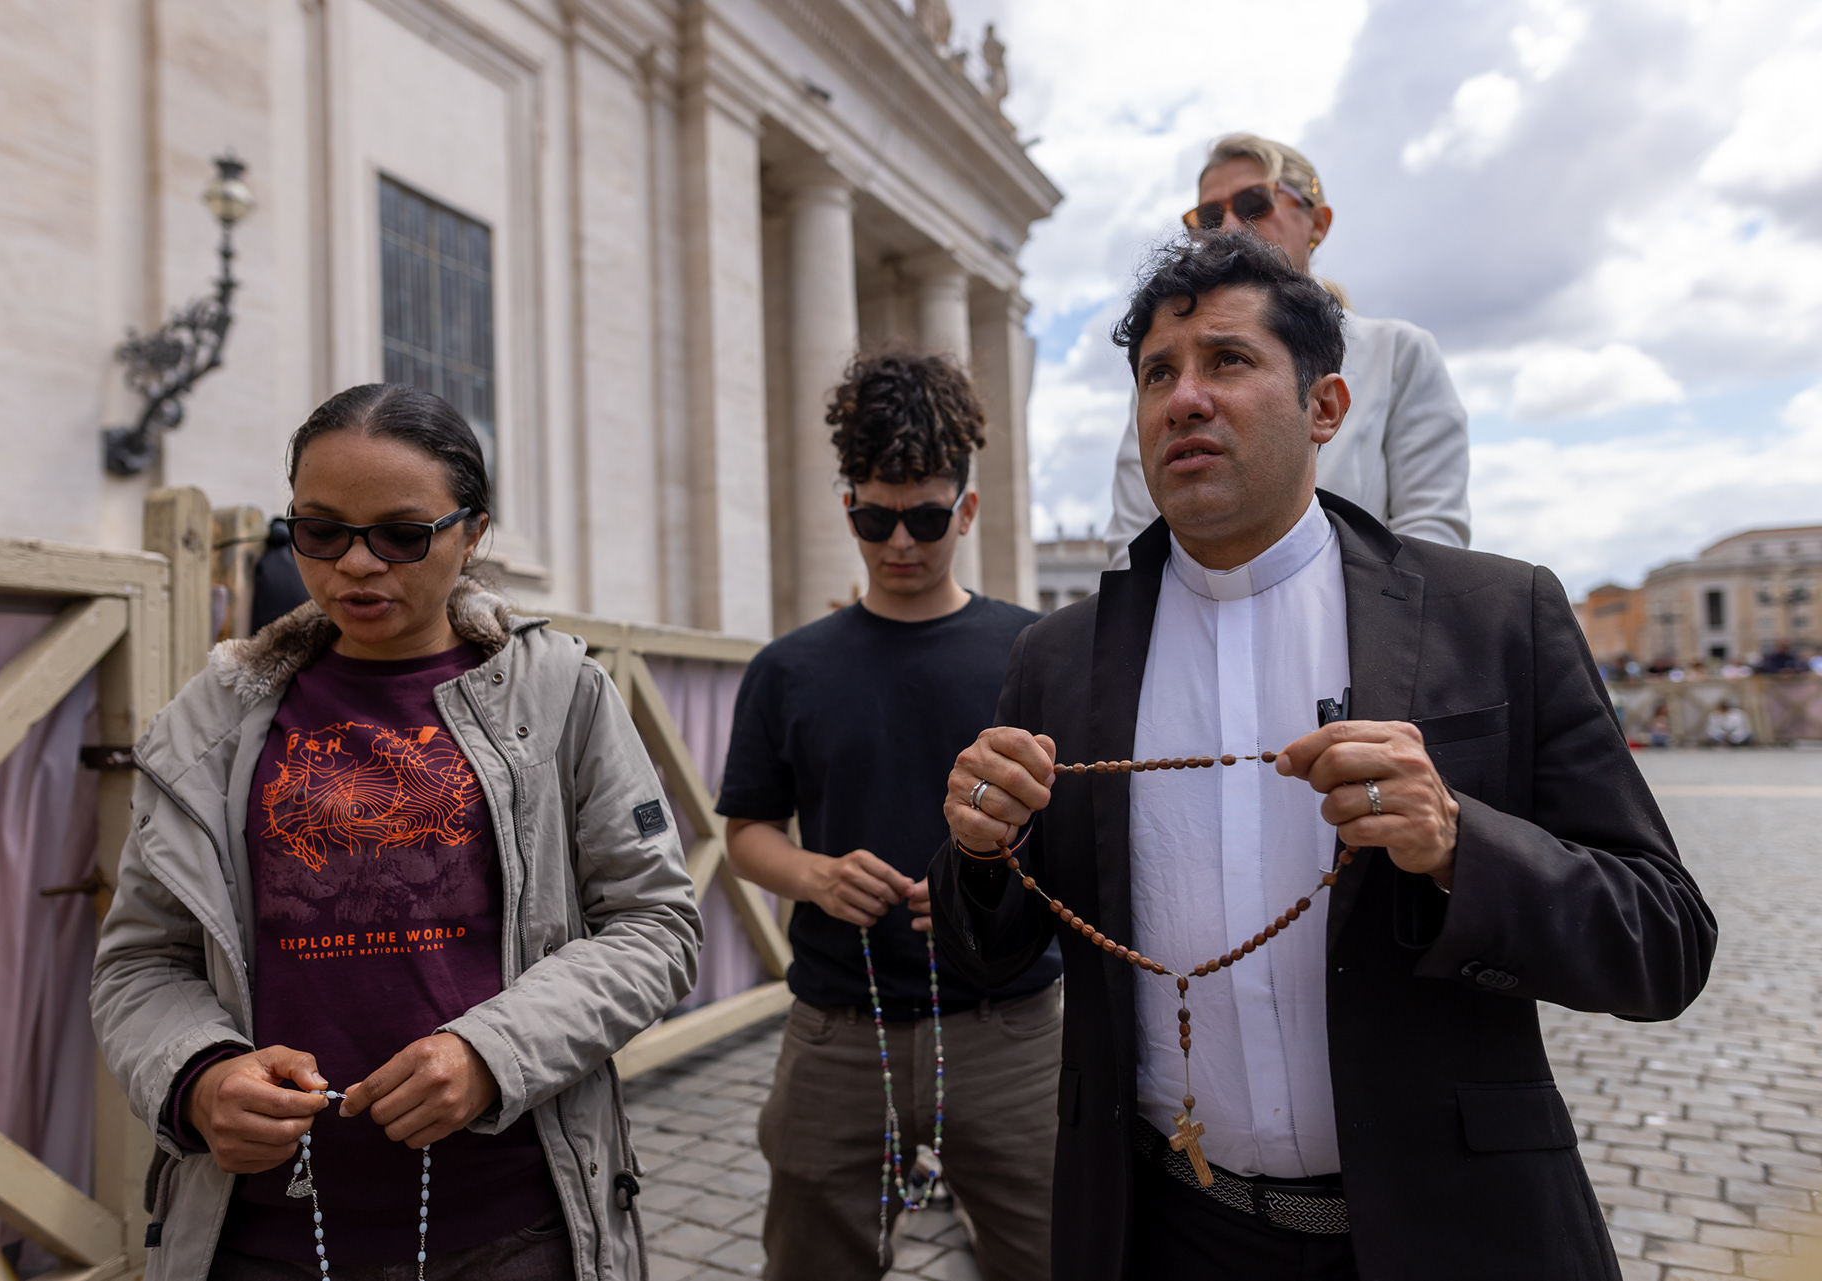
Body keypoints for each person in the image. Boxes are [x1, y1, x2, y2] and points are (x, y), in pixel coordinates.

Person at [929, 233, 1716, 1281]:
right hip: (1165, 1236)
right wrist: (981, 851)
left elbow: (1663, 942)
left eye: (1228, 361)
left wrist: (1456, 846)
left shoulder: (1496, 617)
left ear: (1327, 409)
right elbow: (987, 951)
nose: (1185, 399)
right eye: (1158, 374)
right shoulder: (1057, 661)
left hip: (1453, 1233)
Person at [91, 384, 702, 1281]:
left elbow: (654, 926)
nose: (358, 565)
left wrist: (492, 1053)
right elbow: (141, 962)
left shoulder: (560, 695)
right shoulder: (210, 721)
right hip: (257, 1240)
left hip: (510, 1229)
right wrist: (199, 1076)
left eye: (402, 535)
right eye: (321, 531)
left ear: (473, 532)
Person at [717, 352, 1060, 1281]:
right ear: (848, 509)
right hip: (839, 1027)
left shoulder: (1035, 652)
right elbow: (743, 831)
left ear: (970, 511)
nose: (899, 540)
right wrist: (817, 876)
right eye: (875, 516)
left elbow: (1084, 835)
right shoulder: (789, 667)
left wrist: (987, 876)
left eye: (925, 517)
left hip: (1011, 1030)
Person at [1101, 133, 1470, 569]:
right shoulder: (1173, 375)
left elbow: (1430, 536)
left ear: (1318, 222)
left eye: (1256, 202)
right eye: (1209, 215)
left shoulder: (1397, 352)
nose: (1231, 227)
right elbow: (1132, 536)